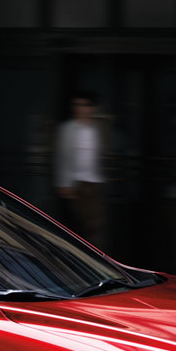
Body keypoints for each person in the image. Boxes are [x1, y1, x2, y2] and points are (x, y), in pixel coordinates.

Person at [53, 92, 105, 245]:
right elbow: (62, 156)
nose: (79, 109)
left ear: (92, 108)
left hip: (95, 183)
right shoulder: (67, 129)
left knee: (95, 226)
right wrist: (63, 183)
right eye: (77, 105)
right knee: (76, 226)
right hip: (76, 183)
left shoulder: (98, 128)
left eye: (83, 105)